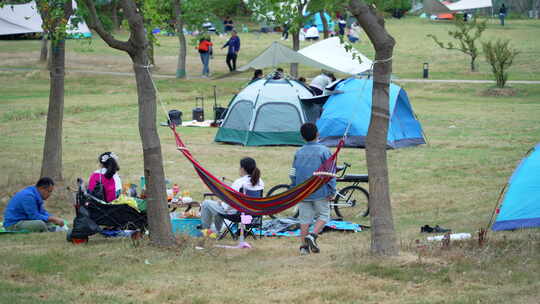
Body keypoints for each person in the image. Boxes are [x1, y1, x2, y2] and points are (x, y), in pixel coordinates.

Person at [290, 123, 336, 255]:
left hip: (303, 191)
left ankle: (304, 248)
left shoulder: (298, 152)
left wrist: (294, 188)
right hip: (320, 190)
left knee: (304, 219)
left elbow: (293, 173)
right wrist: (332, 190)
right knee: (324, 215)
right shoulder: (324, 151)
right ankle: (313, 235)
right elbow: (330, 173)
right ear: (317, 134)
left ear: (302, 137)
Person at [200, 157, 264, 233]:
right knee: (217, 208)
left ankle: (205, 229)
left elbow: (229, 205)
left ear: (242, 169)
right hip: (253, 214)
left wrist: (221, 203)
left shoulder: (239, 182)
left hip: (236, 215)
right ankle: (216, 230)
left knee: (206, 203)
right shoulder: (260, 181)